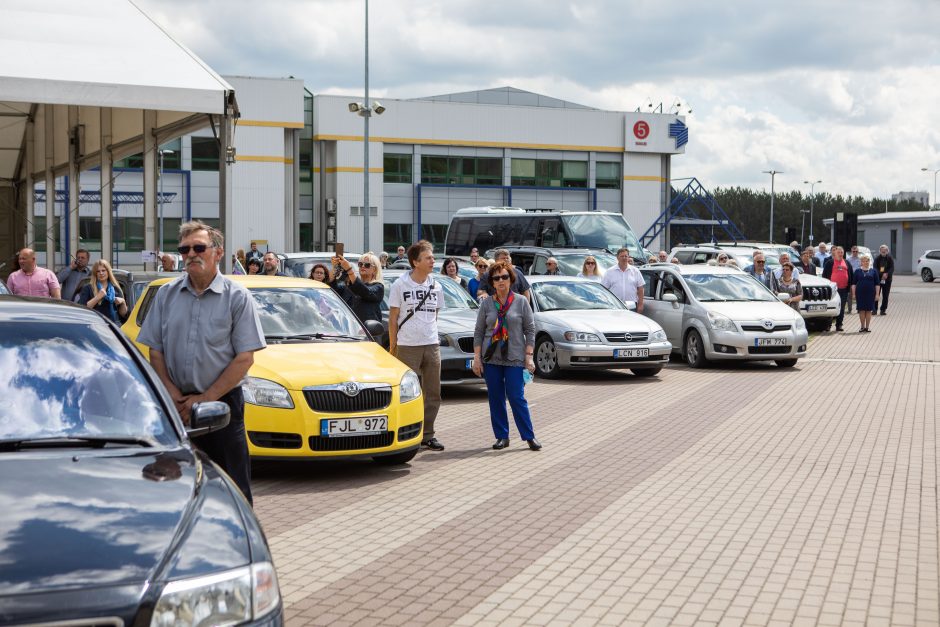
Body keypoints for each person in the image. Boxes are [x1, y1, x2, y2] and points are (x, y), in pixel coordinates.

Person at [137, 221, 266, 505]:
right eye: (184, 249)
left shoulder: (237, 297)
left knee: (232, 491)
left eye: (199, 247)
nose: (191, 254)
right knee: (173, 486)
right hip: (174, 407)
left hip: (222, 406)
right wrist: (174, 395)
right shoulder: (166, 295)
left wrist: (205, 399)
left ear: (218, 253)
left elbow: (245, 358)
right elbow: (155, 350)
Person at [471, 260, 540, 451]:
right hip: (491, 357)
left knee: (517, 397)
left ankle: (529, 436)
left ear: (511, 279)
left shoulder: (521, 301)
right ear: (492, 282)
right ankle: (502, 436)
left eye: (504, 276)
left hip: (515, 356)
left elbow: (530, 329)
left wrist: (529, 355)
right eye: (496, 278)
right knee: (496, 397)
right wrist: (477, 358)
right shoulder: (487, 304)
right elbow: (478, 332)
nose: (501, 280)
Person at [388, 240, 445, 451]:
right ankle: (406, 433)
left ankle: (427, 434)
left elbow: (435, 315)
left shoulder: (436, 285)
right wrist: (393, 346)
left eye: (432, 257)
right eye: (428, 258)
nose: (433, 261)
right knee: (406, 393)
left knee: (433, 393)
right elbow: (393, 318)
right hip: (407, 346)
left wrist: (431, 335)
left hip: (431, 344)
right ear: (415, 262)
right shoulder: (400, 285)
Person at [330, 252, 385, 323]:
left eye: (367, 265)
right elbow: (333, 288)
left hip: (367, 331)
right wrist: (335, 267)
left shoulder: (378, 287)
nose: (362, 266)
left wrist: (349, 270)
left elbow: (365, 291)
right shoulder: (351, 285)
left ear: (374, 269)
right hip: (350, 329)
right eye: (360, 264)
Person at [601, 248, 645, 312]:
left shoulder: (635, 271)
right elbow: (604, 289)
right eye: (622, 256)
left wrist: (640, 304)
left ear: (628, 257)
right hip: (615, 306)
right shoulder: (610, 272)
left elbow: (640, 288)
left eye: (626, 256)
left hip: (632, 306)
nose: (624, 258)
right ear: (617, 257)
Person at [822, 245, 852, 332]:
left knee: (841, 308)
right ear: (835, 253)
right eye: (838, 252)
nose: (840, 254)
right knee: (831, 307)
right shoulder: (830, 263)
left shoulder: (847, 263)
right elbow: (824, 276)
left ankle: (839, 325)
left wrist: (849, 287)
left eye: (842, 252)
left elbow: (851, 275)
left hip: (844, 289)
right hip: (832, 290)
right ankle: (828, 325)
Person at [852, 254, 880, 333]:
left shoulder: (873, 271)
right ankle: (862, 327)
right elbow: (853, 284)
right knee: (861, 310)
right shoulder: (857, 271)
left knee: (869, 310)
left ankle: (867, 327)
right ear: (861, 262)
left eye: (867, 261)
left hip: (870, 294)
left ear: (869, 261)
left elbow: (877, 284)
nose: (865, 262)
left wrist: (877, 294)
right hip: (860, 294)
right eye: (863, 261)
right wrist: (853, 294)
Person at [874, 244, 895, 315]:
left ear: (887, 251)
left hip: (887, 279)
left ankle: (883, 310)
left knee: (886, 295)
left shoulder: (890, 258)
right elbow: (875, 268)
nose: (883, 251)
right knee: (876, 294)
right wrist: (881, 274)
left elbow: (892, 268)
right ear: (880, 251)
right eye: (882, 250)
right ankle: (874, 309)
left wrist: (886, 274)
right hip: (878, 279)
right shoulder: (877, 258)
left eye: (885, 250)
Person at [845, 245, 862, 313]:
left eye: (856, 251)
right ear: (851, 251)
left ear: (858, 252)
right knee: (850, 294)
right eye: (853, 251)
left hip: (858, 278)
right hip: (850, 278)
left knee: (859, 294)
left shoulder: (860, 259)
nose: (855, 252)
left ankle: (859, 309)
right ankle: (849, 309)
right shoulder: (848, 259)